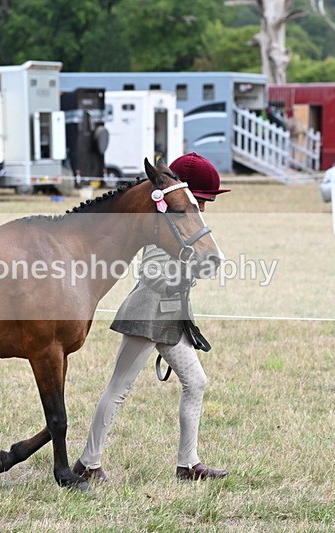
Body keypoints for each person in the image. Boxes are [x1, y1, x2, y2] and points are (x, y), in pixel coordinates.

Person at [73, 152, 230, 483]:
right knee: (119, 387)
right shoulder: (166, 224)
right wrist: (193, 266)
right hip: (148, 313)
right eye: (203, 199)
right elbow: (154, 274)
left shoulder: (186, 224)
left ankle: (188, 464)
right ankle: (88, 462)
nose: (205, 207)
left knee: (196, 382)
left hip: (172, 314)